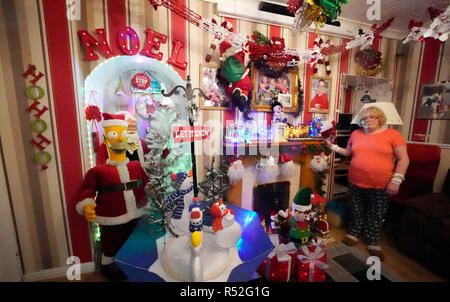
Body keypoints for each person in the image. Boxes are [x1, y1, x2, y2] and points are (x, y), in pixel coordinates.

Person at [327, 106, 409, 260]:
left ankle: (372, 240)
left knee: (376, 213)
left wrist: (397, 180)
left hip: (382, 183)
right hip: (355, 181)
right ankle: (354, 233)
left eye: (372, 117)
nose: (367, 120)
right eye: (364, 118)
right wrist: (333, 147)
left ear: (380, 119)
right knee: (357, 209)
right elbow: (348, 152)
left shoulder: (393, 135)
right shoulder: (356, 134)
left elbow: (403, 159)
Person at [76, 113, 149, 281]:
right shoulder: (98, 171)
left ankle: (130, 264)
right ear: (107, 140)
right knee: (111, 242)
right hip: (111, 214)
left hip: (137, 211)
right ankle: (108, 265)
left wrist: (151, 190)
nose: (119, 141)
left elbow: (146, 182)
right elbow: (87, 191)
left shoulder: (136, 165)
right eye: (115, 136)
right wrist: (87, 205)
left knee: (133, 239)